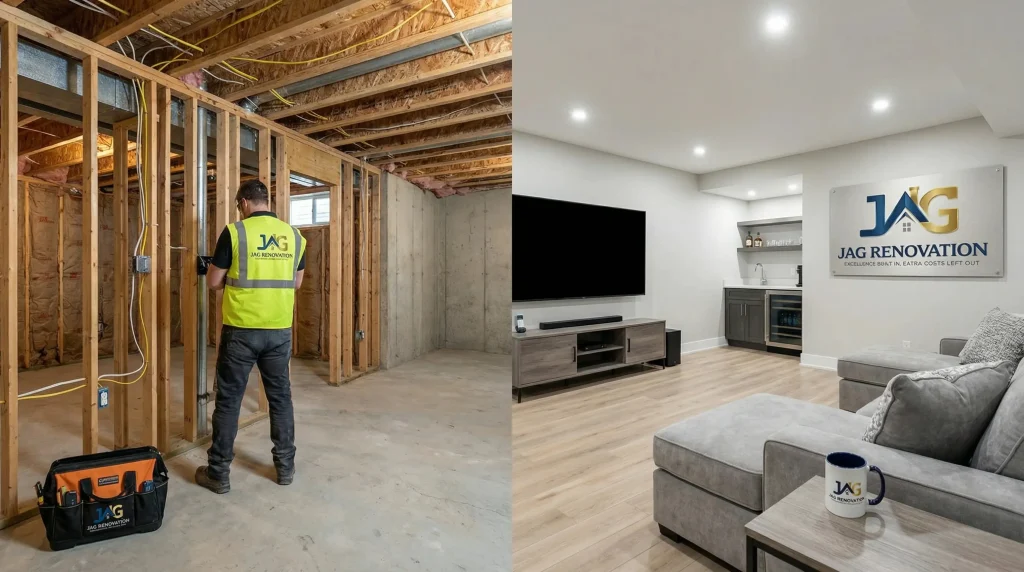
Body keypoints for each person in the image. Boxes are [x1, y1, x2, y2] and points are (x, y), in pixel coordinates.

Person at [195, 179, 306, 494]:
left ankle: (218, 474)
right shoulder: (295, 236)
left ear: (243, 202)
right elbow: (296, 284)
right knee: (281, 400)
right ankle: (285, 468)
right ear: (266, 201)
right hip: (279, 331)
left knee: (229, 402)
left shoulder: (235, 232)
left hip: (241, 330)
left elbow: (214, 281)